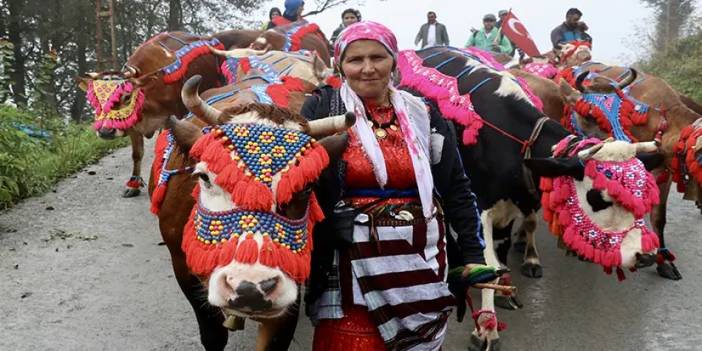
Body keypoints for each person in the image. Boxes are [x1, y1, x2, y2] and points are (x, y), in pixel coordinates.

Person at [302, 21, 492, 350]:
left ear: (394, 60)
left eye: (378, 57)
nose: (367, 68)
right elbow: (299, 183)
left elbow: (456, 187)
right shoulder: (322, 109)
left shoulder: (424, 113)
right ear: (339, 65)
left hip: (423, 257)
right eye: (355, 59)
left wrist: (473, 256)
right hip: (347, 261)